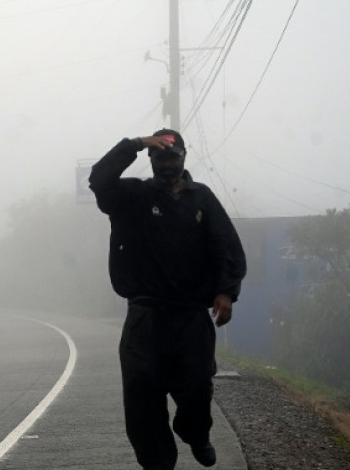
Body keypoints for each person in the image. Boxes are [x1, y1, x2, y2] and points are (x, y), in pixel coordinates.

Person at [88, 129, 246, 469]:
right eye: (159, 156)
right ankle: (158, 464)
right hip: (145, 318)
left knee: (197, 387)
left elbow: (226, 245)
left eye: (173, 157)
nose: (167, 164)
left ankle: (195, 432)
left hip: (191, 316)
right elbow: (99, 179)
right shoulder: (132, 197)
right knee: (143, 398)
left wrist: (226, 291)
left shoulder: (202, 198)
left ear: (184, 158)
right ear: (151, 159)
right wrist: (135, 144)